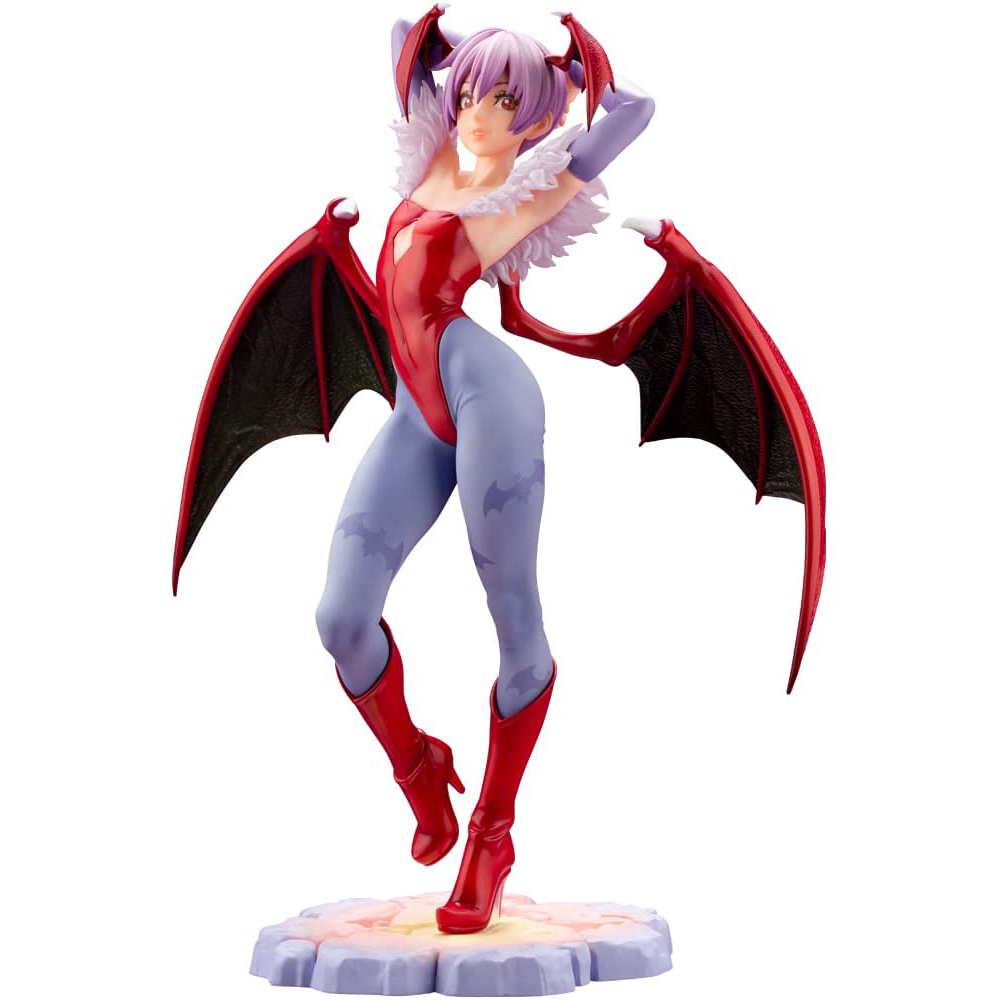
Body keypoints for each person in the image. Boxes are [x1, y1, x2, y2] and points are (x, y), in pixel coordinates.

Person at [313, 9, 655, 934]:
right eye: (470, 91)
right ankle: (419, 769)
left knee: (513, 619)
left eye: (506, 101)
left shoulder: (518, 198)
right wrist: (449, 46)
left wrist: (575, 65)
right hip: (416, 408)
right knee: (340, 618)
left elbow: (635, 110)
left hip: (489, 400)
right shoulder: (433, 154)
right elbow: (400, 36)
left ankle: (492, 835)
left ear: (536, 118)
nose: (478, 111)